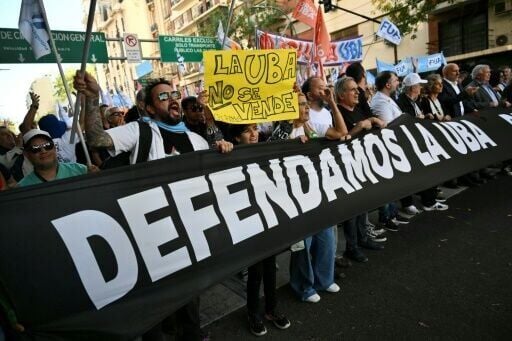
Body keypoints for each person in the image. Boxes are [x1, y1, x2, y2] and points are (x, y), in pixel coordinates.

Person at [74, 71, 232, 341]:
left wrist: (225, 149)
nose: (172, 100)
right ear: (148, 108)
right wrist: (92, 99)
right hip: (149, 240)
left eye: (174, 95)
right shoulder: (140, 131)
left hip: (189, 237)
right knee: (154, 316)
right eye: (163, 96)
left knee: (190, 305)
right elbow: (97, 140)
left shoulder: (197, 141)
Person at [227, 123, 291, 337]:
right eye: (247, 130)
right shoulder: (228, 157)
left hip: (269, 216)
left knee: (271, 267)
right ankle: (253, 313)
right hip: (249, 222)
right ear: (236, 138)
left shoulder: (264, 148)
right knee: (256, 272)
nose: (254, 133)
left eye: (255, 128)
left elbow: (285, 133)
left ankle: (271, 309)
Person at [288, 88, 349, 304]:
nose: (306, 108)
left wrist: (332, 103)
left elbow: (341, 133)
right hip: (296, 199)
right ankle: (303, 286)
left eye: (306, 103)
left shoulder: (312, 126)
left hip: (318, 192)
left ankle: (324, 279)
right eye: (301, 104)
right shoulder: (283, 132)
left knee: (326, 240)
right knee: (303, 245)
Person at [17, 129, 96, 187]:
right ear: (26, 154)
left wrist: (97, 177)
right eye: (35, 148)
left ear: (54, 148)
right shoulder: (22, 187)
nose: (43, 151)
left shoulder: (82, 171)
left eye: (47, 145)